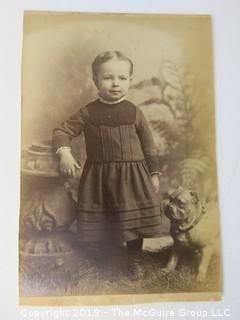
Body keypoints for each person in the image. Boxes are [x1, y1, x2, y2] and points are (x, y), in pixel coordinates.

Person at [52, 51, 162, 278]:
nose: (115, 84)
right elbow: (62, 131)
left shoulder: (135, 112)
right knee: (102, 220)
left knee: (133, 221)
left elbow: (149, 145)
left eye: (122, 78)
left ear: (130, 80)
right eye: (108, 78)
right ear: (95, 81)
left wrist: (154, 173)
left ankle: (134, 261)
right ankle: (103, 262)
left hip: (133, 177)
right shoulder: (88, 112)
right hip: (99, 178)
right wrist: (64, 153)